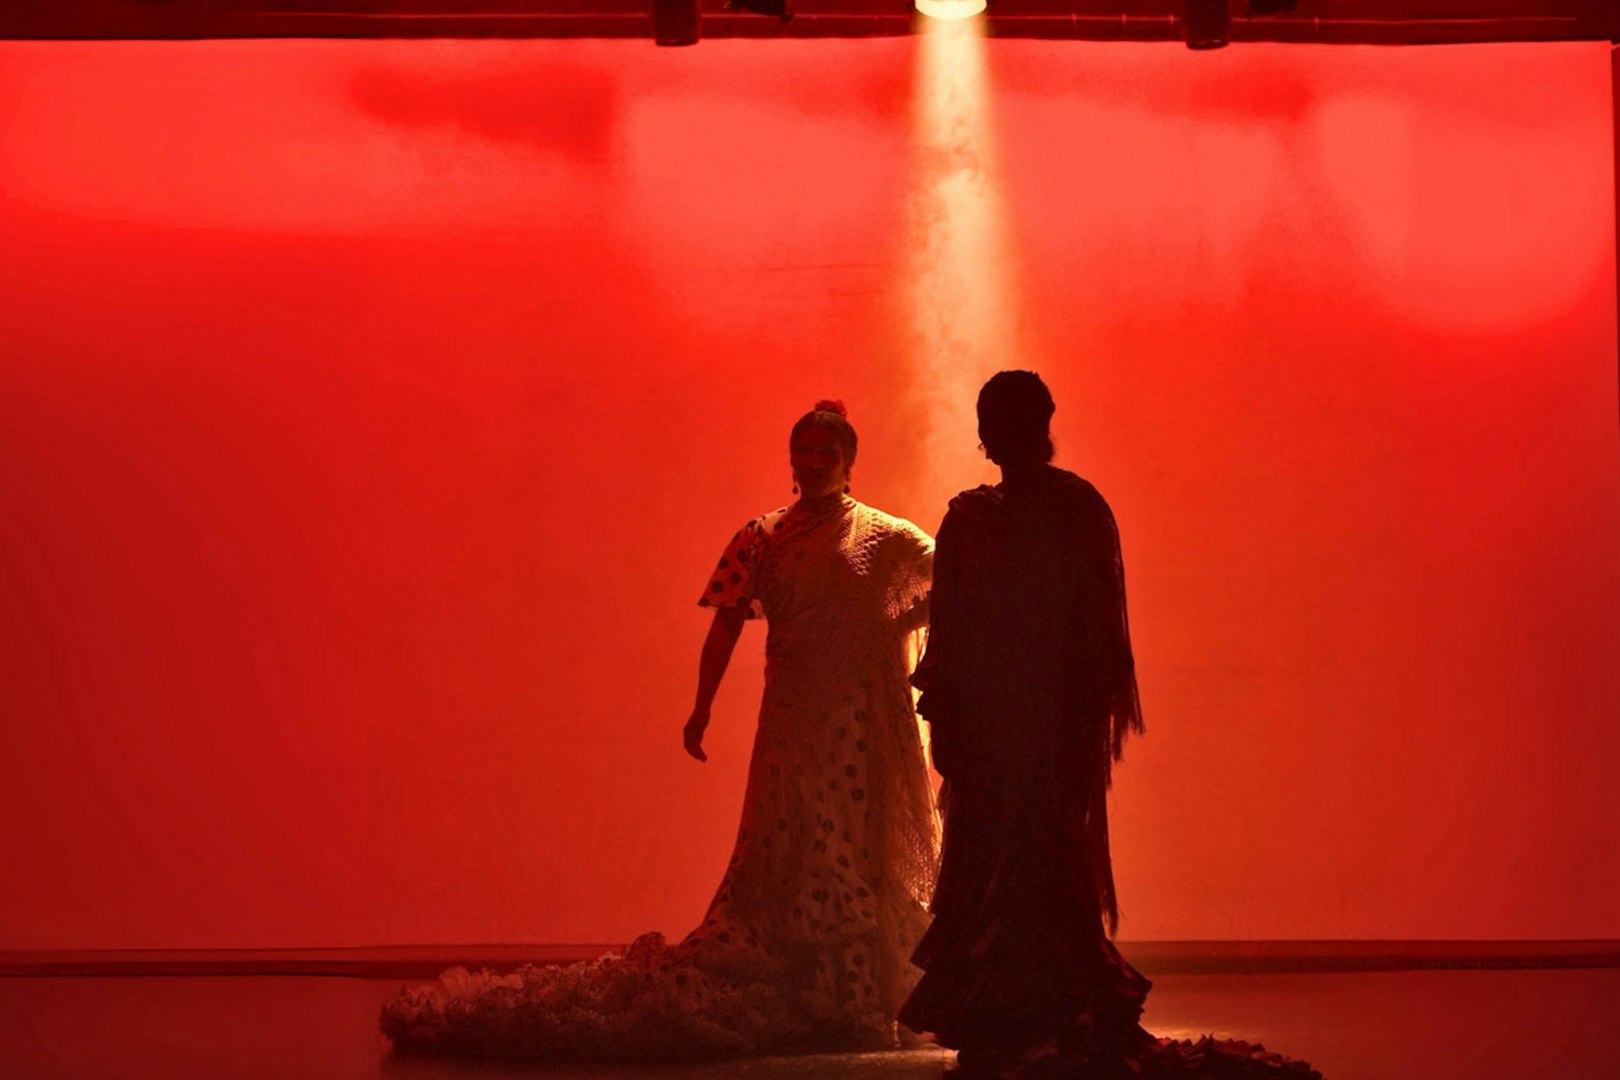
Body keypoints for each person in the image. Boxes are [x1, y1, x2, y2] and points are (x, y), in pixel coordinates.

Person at [380, 400, 940, 1060]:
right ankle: (801, 976)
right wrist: (701, 707)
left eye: (827, 453)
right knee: (791, 836)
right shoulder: (761, 536)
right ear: (792, 459)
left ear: (849, 462)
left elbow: (946, 586)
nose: (814, 463)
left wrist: (889, 640)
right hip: (792, 722)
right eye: (804, 451)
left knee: (855, 838)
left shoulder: (887, 538)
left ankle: (854, 986)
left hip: (860, 725)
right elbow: (727, 619)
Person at [899, 372, 1320, 1080]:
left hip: (1041, 729)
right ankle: (1015, 1024)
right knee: (1004, 865)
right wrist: (953, 720)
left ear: (1033, 426)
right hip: (1000, 731)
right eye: (994, 422)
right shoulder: (981, 517)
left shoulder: (1066, 510)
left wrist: (1063, 725)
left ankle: (1041, 1021)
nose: (1001, 436)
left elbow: (1093, 636)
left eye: (1012, 421)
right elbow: (958, 631)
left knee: (1035, 864)